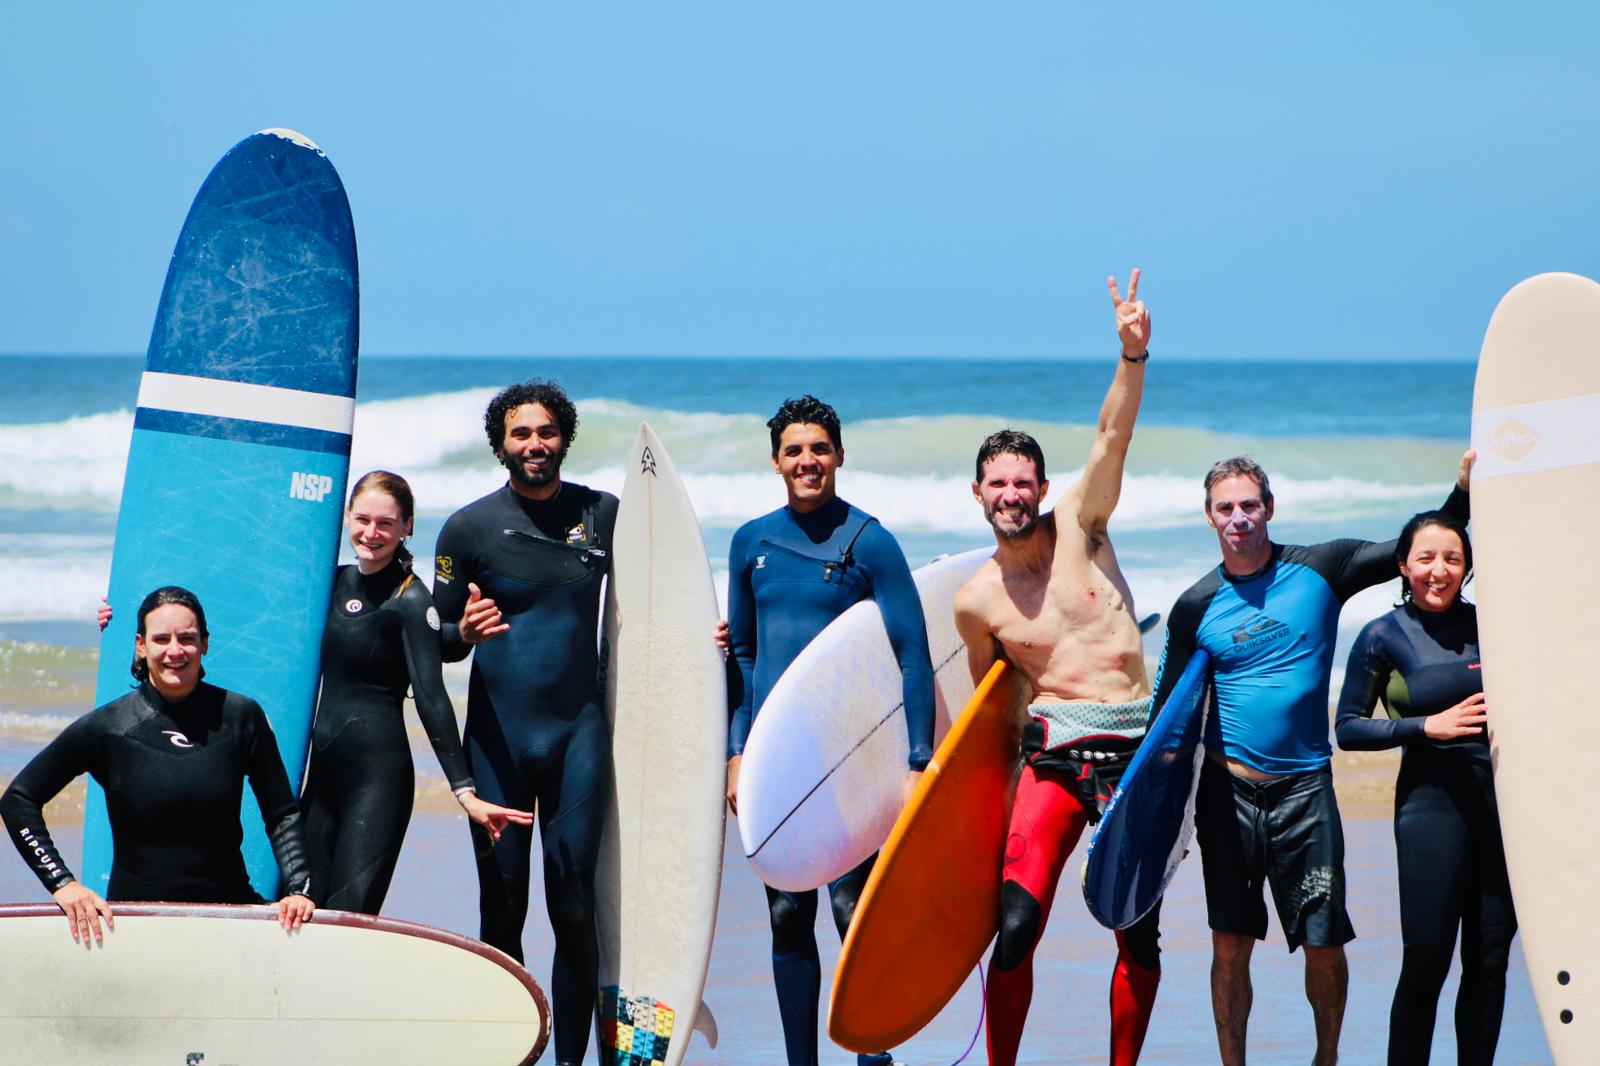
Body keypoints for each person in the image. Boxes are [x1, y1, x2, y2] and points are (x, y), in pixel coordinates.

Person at [1155, 451, 1472, 1066]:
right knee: (1229, 945)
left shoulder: (1322, 568)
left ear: (1269, 508)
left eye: (1250, 505)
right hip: (1228, 791)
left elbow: (1414, 546)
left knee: (1324, 944)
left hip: (1305, 789)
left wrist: (1461, 492)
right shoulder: (1195, 606)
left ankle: (1325, 1059)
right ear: (1209, 517)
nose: (1240, 518)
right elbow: (1167, 713)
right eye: (1226, 508)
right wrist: (1145, 799)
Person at [952, 269, 1160, 1066]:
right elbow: (991, 714)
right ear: (978, 493)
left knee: (1136, 934)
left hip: (1136, 751)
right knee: (1012, 929)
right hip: (1055, 756)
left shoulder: (1085, 523)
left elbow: (1111, 437)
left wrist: (1131, 357)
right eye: (996, 483)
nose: (1011, 494)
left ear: (1042, 489)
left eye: (1022, 482)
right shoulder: (978, 603)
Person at [725, 394, 935, 1066]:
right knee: (788, 915)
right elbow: (744, 656)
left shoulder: (868, 541)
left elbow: (913, 655)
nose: (807, 461)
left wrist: (916, 761)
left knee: (852, 911)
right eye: (794, 450)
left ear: (839, 455)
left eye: (819, 448)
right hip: (776, 756)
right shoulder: (749, 541)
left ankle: (873, 1057)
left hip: (851, 755)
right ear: (776, 461)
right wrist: (737, 753)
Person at [431, 380, 617, 1066]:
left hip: (579, 736)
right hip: (499, 744)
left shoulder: (606, 514)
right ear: (499, 444)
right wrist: (464, 631)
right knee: (502, 909)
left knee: (574, 904)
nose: (534, 445)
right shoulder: (467, 529)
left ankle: (573, 1061)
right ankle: (508, 1053)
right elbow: (439, 640)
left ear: (563, 436)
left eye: (545, 432)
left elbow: (654, 603)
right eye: (520, 434)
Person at [1, 586, 315, 943]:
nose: (175, 651)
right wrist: (63, 884)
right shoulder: (110, 727)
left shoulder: (241, 717)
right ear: (141, 645)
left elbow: (281, 813)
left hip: (228, 915)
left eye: (187, 638)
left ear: (205, 644)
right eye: (161, 639)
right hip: (137, 925)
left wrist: (298, 888)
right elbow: (19, 800)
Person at [298, 471, 532, 914]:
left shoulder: (411, 599)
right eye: (362, 519)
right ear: (346, 517)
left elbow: (431, 697)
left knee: (348, 919)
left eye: (386, 523)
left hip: (377, 782)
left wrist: (464, 791)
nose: (371, 532)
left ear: (407, 526)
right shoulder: (329, 583)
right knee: (298, 911)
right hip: (321, 777)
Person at [1335, 508, 1514, 1065]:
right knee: (1428, 961)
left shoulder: (1496, 628)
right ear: (1403, 565)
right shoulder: (1384, 635)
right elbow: (1348, 729)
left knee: (1488, 961)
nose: (1439, 570)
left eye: (1453, 559)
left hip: (1503, 812)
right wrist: (1425, 727)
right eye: (1426, 558)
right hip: (1429, 809)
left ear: (1468, 567)